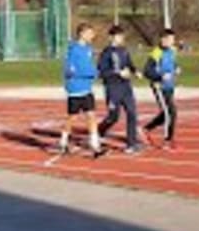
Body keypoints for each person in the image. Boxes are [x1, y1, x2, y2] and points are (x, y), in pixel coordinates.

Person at [97, 24, 142, 154]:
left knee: (132, 113)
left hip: (126, 87)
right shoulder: (106, 53)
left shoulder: (124, 50)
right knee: (113, 117)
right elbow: (102, 72)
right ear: (111, 37)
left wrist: (135, 71)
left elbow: (129, 64)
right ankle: (100, 130)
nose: (121, 38)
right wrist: (118, 73)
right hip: (113, 88)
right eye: (118, 36)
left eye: (122, 36)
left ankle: (131, 143)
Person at [60, 22, 102, 157]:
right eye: (90, 33)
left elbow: (89, 65)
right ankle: (63, 140)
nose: (92, 36)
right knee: (72, 117)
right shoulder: (73, 50)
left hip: (87, 89)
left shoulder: (88, 49)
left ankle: (95, 144)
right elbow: (70, 70)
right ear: (82, 34)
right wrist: (90, 73)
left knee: (91, 115)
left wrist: (95, 72)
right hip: (75, 89)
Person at [143, 28, 180, 149]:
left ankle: (146, 128)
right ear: (163, 39)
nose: (172, 42)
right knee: (171, 113)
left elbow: (172, 63)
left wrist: (176, 68)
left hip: (170, 86)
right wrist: (160, 76)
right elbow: (147, 71)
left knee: (167, 113)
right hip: (159, 87)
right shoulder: (156, 53)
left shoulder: (171, 51)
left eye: (173, 40)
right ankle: (167, 140)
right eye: (169, 39)